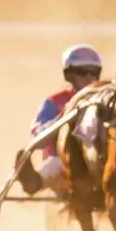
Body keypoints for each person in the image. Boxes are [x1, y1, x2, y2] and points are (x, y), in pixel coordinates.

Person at [14, 44, 104, 195]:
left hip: (98, 164)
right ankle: (34, 181)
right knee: (59, 162)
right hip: (64, 171)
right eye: (82, 72)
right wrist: (61, 120)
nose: (89, 77)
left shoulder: (105, 100)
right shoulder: (55, 102)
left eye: (93, 72)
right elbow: (37, 134)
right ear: (70, 75)